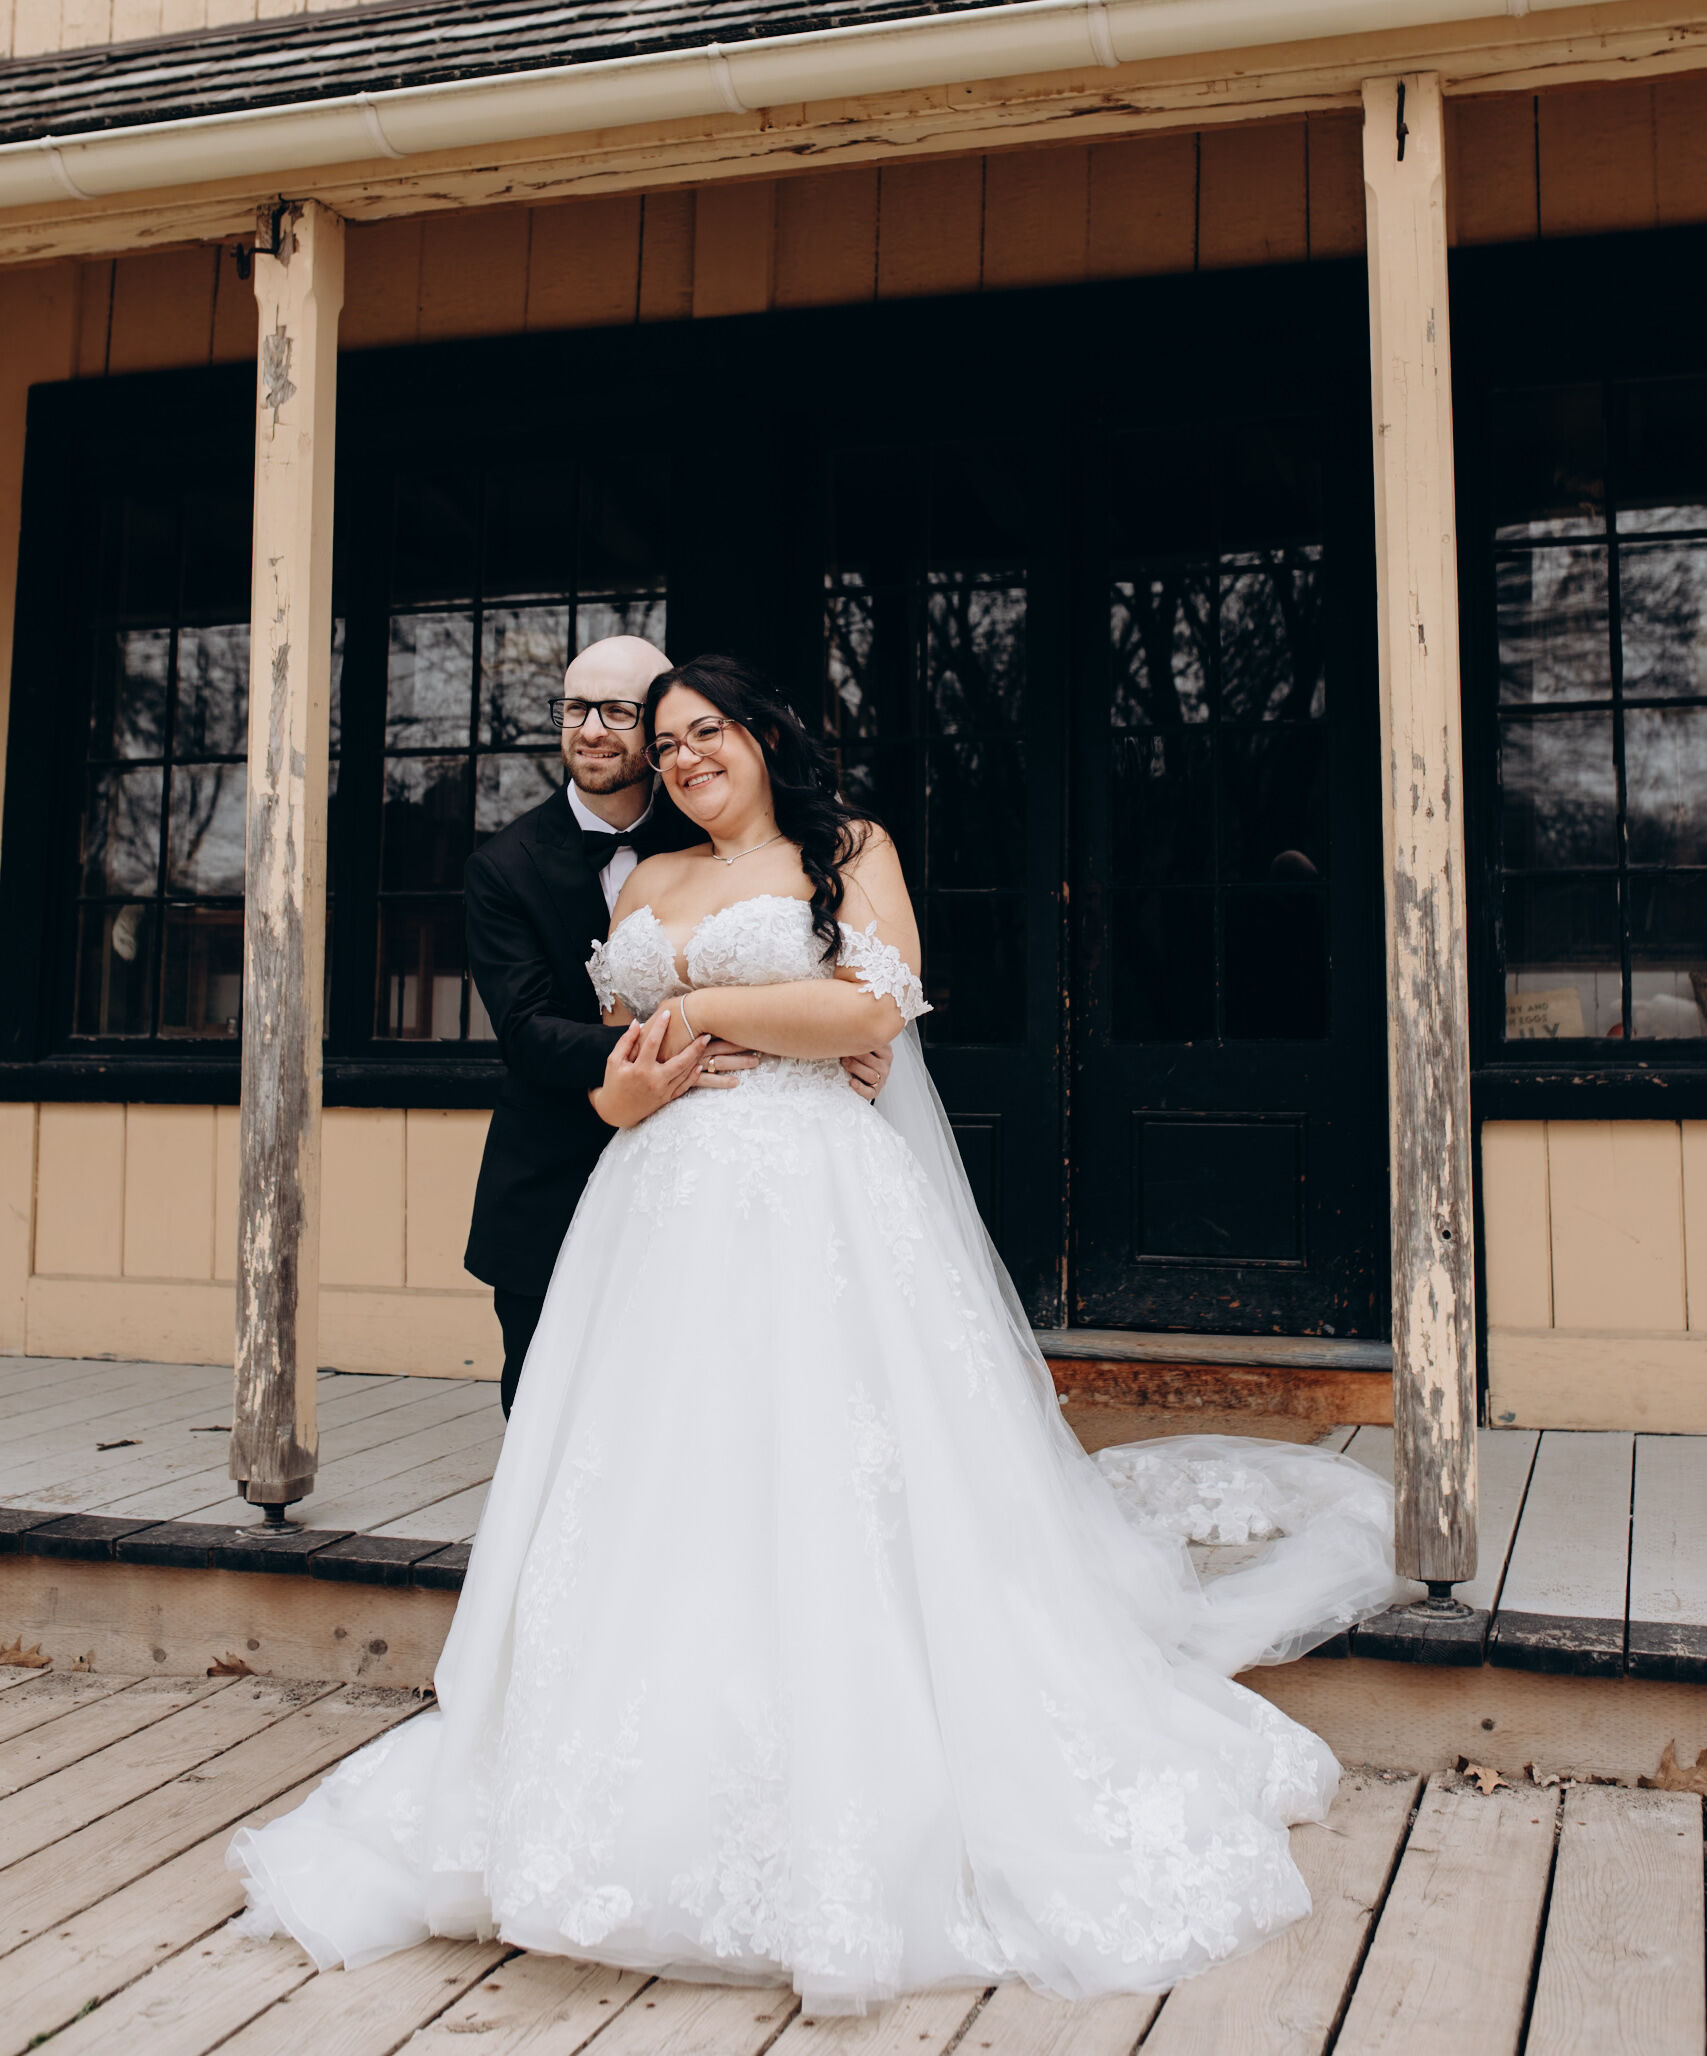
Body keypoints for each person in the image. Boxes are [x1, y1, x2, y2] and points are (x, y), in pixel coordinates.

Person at [231, 655, 1396, 2013]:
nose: (681, 756)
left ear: (764, 736)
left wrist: (706, 1009)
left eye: (705, 731)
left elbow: (867, 1007)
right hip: (655, 1213)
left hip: (814, 1198)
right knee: (663, 1481)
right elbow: (613, 1054)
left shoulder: (848, 851)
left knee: (834, 1464)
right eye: (665, 741)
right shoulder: (644, 884)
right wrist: (634, 1083)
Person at [462, 633, 889, 1414]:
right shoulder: (503, 864)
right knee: (553, 1410)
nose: (591, 729)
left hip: (763, 1172)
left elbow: (849, 980)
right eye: (573, 708)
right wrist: (683, 1049)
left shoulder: (710, 818)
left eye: (618, 712)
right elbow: (525, 1030)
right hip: (561, 1166)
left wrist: (826, 1042)